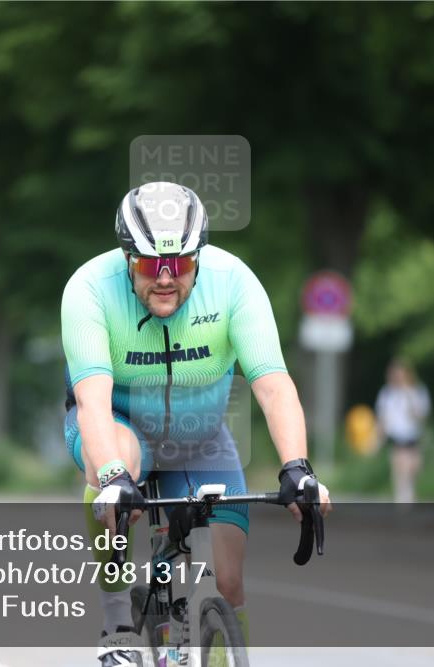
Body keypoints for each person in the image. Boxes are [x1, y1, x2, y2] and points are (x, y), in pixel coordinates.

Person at [61, 182, 331, 666]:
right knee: (119, 465)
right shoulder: (89, 289)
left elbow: (273, 384)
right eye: (149, 266)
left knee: (226, 582)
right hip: (118, 428)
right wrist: (112, 479)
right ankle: (118, 623)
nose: (165, 279)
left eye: (180, 265)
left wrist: (297, 467)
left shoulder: (234, 283)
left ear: (200, 258)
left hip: (201, 439)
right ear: (127, 259)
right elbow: (93, 403)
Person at [375, 359, 430, 504]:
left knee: (413, 469)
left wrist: (408, 396)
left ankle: (407, 495)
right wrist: (377, 439)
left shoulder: (417, 391)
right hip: (397, 437)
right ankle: (403, 498)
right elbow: (383, 418)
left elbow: (421, 416)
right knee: (400, 468)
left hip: (413, 436)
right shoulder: (387, 394)